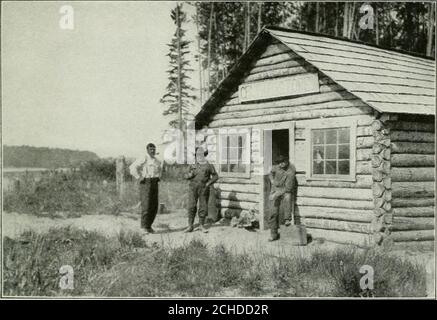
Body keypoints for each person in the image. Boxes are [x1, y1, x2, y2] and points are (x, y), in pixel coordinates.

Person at [129, 143, 162, 234]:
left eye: (154, 149)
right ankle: (143, 227)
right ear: (147, 150)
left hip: (155, 182)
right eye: (151, 149)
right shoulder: (144, 158)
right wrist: (138, 177)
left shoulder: (157, 161)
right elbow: (132, 167)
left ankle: (148, 226)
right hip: (146, 182)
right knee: (146, 205)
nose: (152, 151)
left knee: (154, 206)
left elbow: (160, 170)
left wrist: (158, 177)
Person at [184, 146, 218, 233]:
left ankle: (201, 225)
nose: (199, 155)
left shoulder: (209, 165)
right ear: (196, 155)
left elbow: (215, 176)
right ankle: (190, 226)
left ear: (204, 155)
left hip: (203, 188)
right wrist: (189, 175)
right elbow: (185, 176)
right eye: (198, 154)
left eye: (201, 154)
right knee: (191, 206)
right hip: (193, 188)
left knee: (203, 207)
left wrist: (208, 183)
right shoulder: (192, 165)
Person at [268, 155, 296, 242]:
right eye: (279, 163)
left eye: (282, 162)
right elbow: (270, 173)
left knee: (287, 197)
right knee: (273, 212)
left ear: (287, 161)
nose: (281, 164)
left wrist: (276, 194)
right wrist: (272, 180)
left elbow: (288, 188)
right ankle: (273, 234)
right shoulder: (276, 167)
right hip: (275, 190)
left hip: (285, 190)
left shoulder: (291, 171)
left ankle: (287, 220)